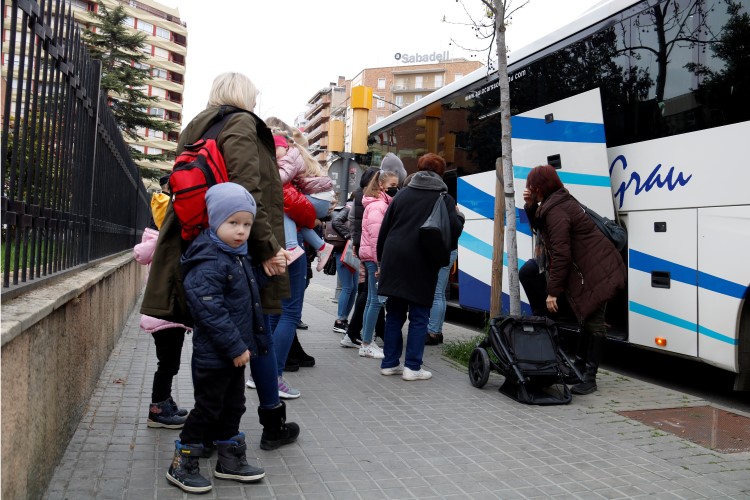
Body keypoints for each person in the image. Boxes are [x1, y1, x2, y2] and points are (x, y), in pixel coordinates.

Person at [167, 183, 299, 494]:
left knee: (234, 405)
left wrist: (268, 271)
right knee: (208, 409)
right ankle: (183, 460)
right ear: (215, 220)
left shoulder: (235, 255)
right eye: (233, 223)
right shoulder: (209, 259)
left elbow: (243, 295)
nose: (241, 231)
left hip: (235, 354)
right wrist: (236, 346)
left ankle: (229, 458)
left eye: (247, 224)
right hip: (217, 355)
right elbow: (209, 310)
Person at [523, 164, 626, 395]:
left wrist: (552, 292)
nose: (530, 189)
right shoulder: (557, 202)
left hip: (599, 271)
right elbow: (541, 229)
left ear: (540, 187)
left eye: (532, 186)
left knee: (594, 323)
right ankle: (579, 369)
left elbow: (561, 254)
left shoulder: (557, 209)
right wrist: (530, 206)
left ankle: (590, 377)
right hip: (596, 267)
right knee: (585, 320)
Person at [377, 153, 464, 380]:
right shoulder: (444, 198)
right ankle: (412, 367)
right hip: (423, 260)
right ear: (441, 173)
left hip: (394, 258)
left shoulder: (402, 194)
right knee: (419, 316)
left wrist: (381, 260)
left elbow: (385, 230)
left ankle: (389, 363)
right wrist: (460, 218)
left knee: (394, 314)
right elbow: (452, 232)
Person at [134, 186, 190, 429]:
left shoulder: (155, 240)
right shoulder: (169, 241)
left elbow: (139, 253)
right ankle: (157, 409)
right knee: (167, 364)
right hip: (167, 315)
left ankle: (164, 401)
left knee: (167, 363)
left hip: (161, 316)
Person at [272, 131, 335, 269]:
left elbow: (282, 178)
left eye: (276, 148)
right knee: (298, 220)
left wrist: (268, 173)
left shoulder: (288, 157)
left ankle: (292, 246)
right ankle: (322, 246)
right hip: (321, 198)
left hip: (317, 198)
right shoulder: (294, 153)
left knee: (286, 209)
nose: (274, 153)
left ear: (285, 146)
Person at [358, 170, 400, 359]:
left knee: (371, 301)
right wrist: (381, 263)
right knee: (376, 301)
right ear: (381, 185)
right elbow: (377, 239)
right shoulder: (378, 206)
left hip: (370, 257)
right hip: (375, 258)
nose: (395, 189)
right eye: (392, 186)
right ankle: (366, 344)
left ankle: (367, 341)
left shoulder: (378, 204)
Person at [330, 198, 357, 341]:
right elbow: (336, 221)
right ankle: (339, 320)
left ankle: (344, 319)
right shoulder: (350, 207)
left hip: (352, 252)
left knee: (353, 288)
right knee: (348, 287)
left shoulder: (354, 207)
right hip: (344, 252)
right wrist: (350, 236)